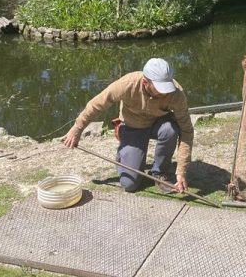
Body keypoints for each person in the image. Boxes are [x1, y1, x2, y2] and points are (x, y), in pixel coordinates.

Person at [62, 58, 193, 194]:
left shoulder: (176, 93)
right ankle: (124, 154)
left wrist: (181, 171)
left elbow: (187, 130)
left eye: (166, 87)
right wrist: (76, 129)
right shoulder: (126, 84)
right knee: (130, 185)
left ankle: (159, 172)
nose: (164, 92)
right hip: (133, 127)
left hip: (159, 124)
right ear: (145, 82)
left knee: (170, 130)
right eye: (159, 89)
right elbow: (96, 105)